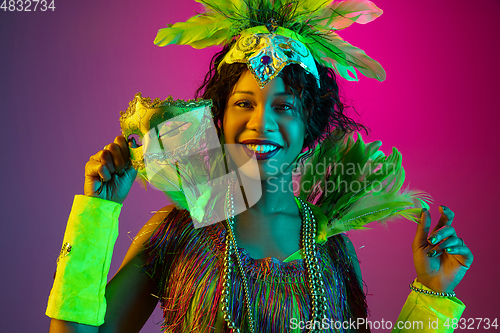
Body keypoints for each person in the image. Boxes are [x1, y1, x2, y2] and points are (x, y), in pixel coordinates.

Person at [46, 0, 473, 332]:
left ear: (311, 127)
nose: (260, 123)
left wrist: (432, 294)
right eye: (244, 104)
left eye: (284, 106)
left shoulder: (332, 249)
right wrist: (96, 215)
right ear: (220, 120)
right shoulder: (179, 230)